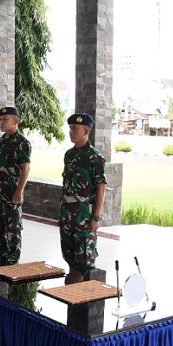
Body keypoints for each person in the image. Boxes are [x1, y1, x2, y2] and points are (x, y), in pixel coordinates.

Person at [60, 113, 107, 284]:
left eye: (75, 129)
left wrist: (95, 217)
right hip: (67, 215)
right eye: (70, 128)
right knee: (69, 256)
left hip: (84, 217)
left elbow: (101, 188)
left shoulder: (95, 157)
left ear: (86, 131)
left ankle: (81, 295)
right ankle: (71, 294)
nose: (71, 132)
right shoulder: (69, 155)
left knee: (83, 261)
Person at [0, 106, 31, 266]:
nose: (1, 122)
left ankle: (12, 263)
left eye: (5, 120)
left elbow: (25, 168)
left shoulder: (22, 142)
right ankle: (2, 262)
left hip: (11, 194)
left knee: (12, 230)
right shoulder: (1, 141)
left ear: (15, 121)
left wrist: (19, 192)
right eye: (0, 120)